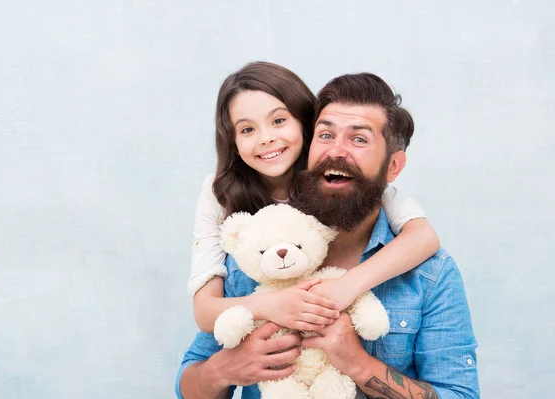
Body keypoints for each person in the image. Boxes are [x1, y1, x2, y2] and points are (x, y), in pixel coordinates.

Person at [176, 72, 479, 399]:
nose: (337, 151)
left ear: (393, 167)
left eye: (359, 139)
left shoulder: (430, 276)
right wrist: (225, 369)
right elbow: (189, 382)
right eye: (325, 135)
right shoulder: (262, 258)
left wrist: (358, 364)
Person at [190, 62, 439, 337]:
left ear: (304, 123)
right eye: (247, 129)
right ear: (232, 142)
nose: (266, 139)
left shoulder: (332, 178)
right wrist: (271, 305)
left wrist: (347, 286)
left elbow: (422, 236)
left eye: (278, 120)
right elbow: (204, 311)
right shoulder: (220, 190)